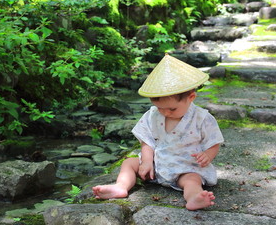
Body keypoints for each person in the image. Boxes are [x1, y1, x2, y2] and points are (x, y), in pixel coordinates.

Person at [92, 54, 224, 210]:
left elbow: (214, 141)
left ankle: (195, 197)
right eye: (160, 108)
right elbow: (146, 140)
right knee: (129, 163)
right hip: (156, 164)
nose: (165, 113)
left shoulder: (202, 118)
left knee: (192, 181)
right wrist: (147, 161)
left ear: (191, 97)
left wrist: (208, 155)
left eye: (172, 109)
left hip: (186, 166)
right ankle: (121, 186)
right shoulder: (153, 114)